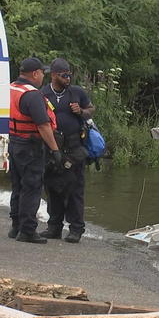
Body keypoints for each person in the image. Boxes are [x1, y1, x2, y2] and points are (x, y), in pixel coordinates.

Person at [40, 58, 95, 243]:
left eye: (69, 74)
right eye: (64, 75)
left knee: (74, 190)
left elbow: (91, 110)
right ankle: (54, 227)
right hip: (52, 147)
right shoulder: (43, 93)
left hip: (73, 147)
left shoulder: (76, 92)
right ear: (54, 75)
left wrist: (80, 111)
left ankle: (76, 229)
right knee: (53, 188)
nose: (68, 78)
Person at [8, 57, 61, 244]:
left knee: (18, 186)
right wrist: (55, 150)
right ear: (35, 74)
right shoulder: (32, 95)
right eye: (42, 73)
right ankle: (28, 230)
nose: (43, 78)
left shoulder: (11, 88)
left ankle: (16, 226)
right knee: (31, 188)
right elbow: (44, 126)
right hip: (30, 146)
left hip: (13, 143)